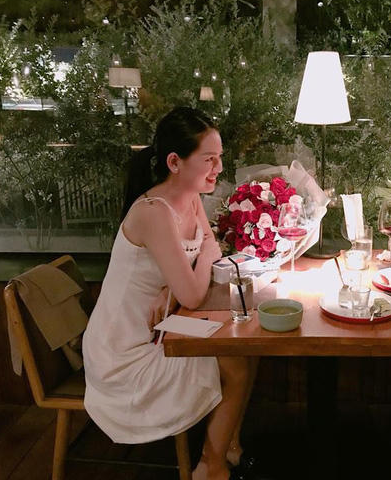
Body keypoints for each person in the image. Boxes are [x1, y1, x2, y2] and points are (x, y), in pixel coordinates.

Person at [83, 107, 259, 480]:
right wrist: (195, 269)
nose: (218, 168)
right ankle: (210, 467)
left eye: (219, 158)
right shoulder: (154, 212)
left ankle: (228, 446)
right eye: (209, 159)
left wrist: (174, 287)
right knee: (236, 364)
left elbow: (204, 259)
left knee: (247, 349)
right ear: (175, 162)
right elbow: (198, 282)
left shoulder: (190, 197)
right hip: (123, 355)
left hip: (160, 328)